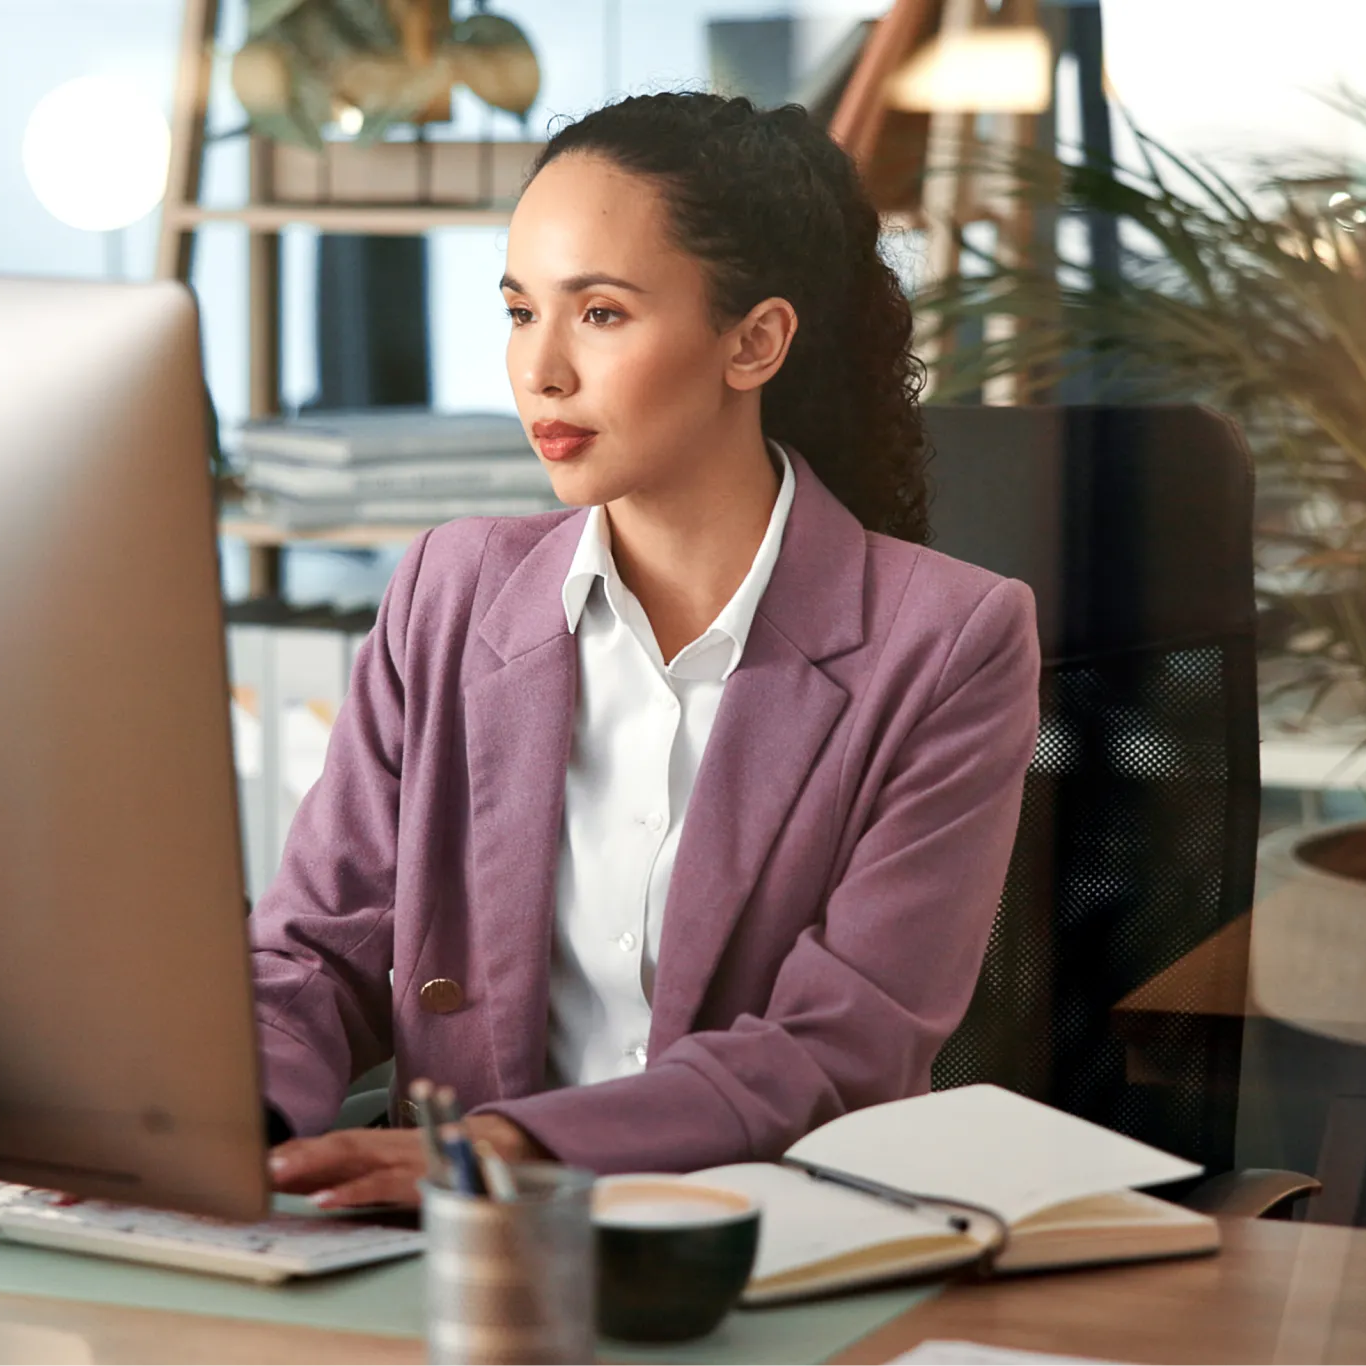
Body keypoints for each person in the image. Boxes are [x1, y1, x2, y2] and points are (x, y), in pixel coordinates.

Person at [251, 91, 1042, 1210]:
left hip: (752, 1252)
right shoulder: (447, 588)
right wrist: (238, 1126)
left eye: (601, 314)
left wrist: (502, 1149)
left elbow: (835, 1047)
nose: (539, 371)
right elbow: (311, 954)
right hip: (456, 1258)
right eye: (521, 312)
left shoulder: (948, 641)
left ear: (753, 340)